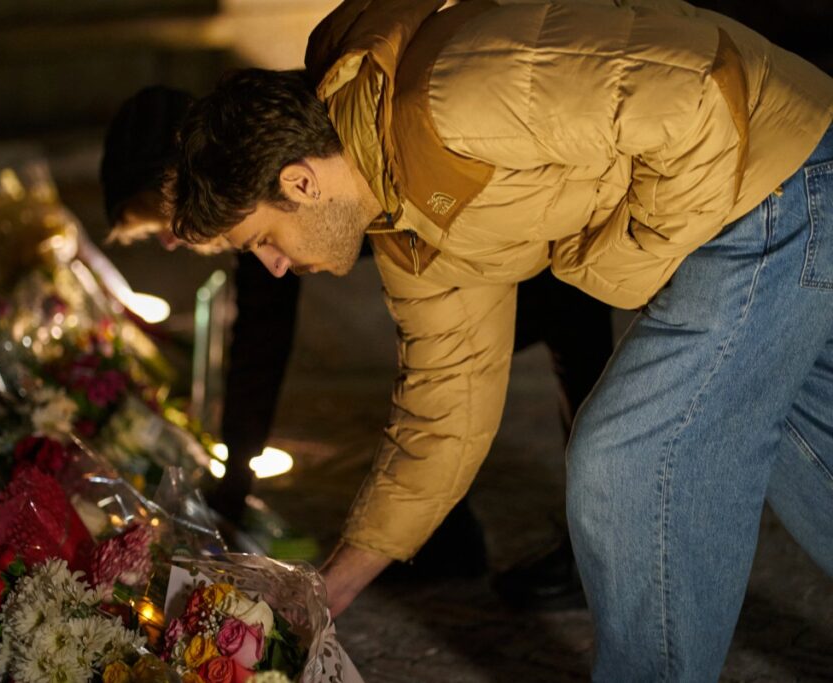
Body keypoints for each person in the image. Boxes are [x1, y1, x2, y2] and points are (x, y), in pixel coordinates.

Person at [170, 0, 833, 679]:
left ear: (301, 182)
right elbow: (444, 408)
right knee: (800, 438)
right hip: (762, 194)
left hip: (782, 180)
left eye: (263, 240)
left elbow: (698, 94)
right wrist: (329, 590)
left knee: (628, 455)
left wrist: (629, 258)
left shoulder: (458, 95)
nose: (274, 266)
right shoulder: (402, 219)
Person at [100, 85, 615, 603]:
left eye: (163, 224)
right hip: (470, 251)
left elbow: (263, 345)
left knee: (573, 377)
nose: (172, 242)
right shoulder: (252, 187)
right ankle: (452, 537)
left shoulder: (273, 164)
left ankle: (601, 548)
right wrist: (233, 487)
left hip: (530, 230)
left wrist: (232, 490)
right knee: (438, 380)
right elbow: (262, 340)